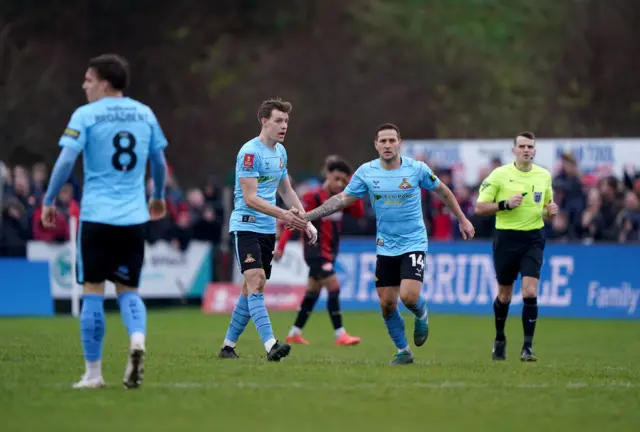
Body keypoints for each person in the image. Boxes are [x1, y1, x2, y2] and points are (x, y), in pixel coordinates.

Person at [41, 54, 169, 389]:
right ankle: (137, 338)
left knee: (93, 292)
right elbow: (159, 161)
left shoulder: (86, 115)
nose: (84, 85)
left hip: (97, 216)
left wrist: (49, 198)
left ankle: (94, 373)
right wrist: (158, 197)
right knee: (129, 291)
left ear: (104, 83)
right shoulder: (145, 113)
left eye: (88, 79)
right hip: (133, 218)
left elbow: (67, 158)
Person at [304, 123, 475, 365]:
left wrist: (463, 219)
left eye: (391, 141)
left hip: (414, 241)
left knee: (408, 297)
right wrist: (307, 215)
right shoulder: (366, 172)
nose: (387, 145)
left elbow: (444, 191)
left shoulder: (416, 169)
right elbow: (341, 200)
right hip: (385, 245)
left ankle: (421, 313)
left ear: (399, 143)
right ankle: (403, 350)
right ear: (376, 145)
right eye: (382, 141)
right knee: (386, 303)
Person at [218, 98, 317, 362]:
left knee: (250, 288)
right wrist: (285, 215)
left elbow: (285, 190)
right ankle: (271, 345)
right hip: (246, 226)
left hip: (266, 231)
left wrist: (306, 221)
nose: (284, 126)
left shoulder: (280, 153)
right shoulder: (250, 153)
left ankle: (227, 347)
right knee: (257, 281)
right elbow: (250, 198)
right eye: (278, 121)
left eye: (286, 121)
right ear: (264, 121)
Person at [475, 131, 558, 362]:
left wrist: (550, 212)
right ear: (514, 150)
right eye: (522, 146)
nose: (526, 150)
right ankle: (500, 338)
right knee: (505, 295)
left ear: (535, 150)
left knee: (530, 291)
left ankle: (527, 347)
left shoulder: (544, 176)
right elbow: (479, 207)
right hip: (506, 239)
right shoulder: (500, 175)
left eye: (530, 146)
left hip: (533, 238)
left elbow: (545, 208)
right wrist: (505, 204)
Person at [274, 158, 364, 346]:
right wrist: (281, 247)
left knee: (313, 292)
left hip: (330, 253)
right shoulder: (312, 197)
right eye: (336, 179)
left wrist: (354, 189)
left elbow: (358, 213)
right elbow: (295, 223)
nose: (339, 184)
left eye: (343, 181)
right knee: (334, 287)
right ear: (327, 175)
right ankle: (340, 334)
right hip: (314, 251)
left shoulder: (341, 200)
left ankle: (294, 333)